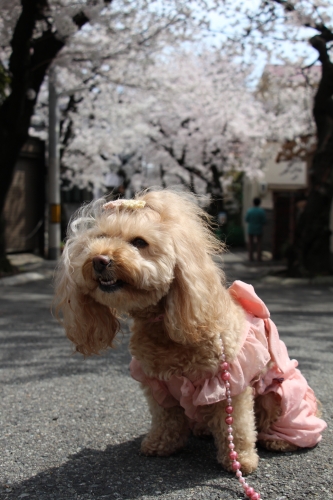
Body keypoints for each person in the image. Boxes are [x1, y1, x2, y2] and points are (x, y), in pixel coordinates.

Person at [245, 197, 266, 262]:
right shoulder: (261, 211)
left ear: (253, 203)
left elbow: (246, 219)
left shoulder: (250, 211)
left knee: (251, 243)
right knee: (259, 243)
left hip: (251, 228)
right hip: (259, 228)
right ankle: (259, 257)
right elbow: (264, 221)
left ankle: (251, 257)